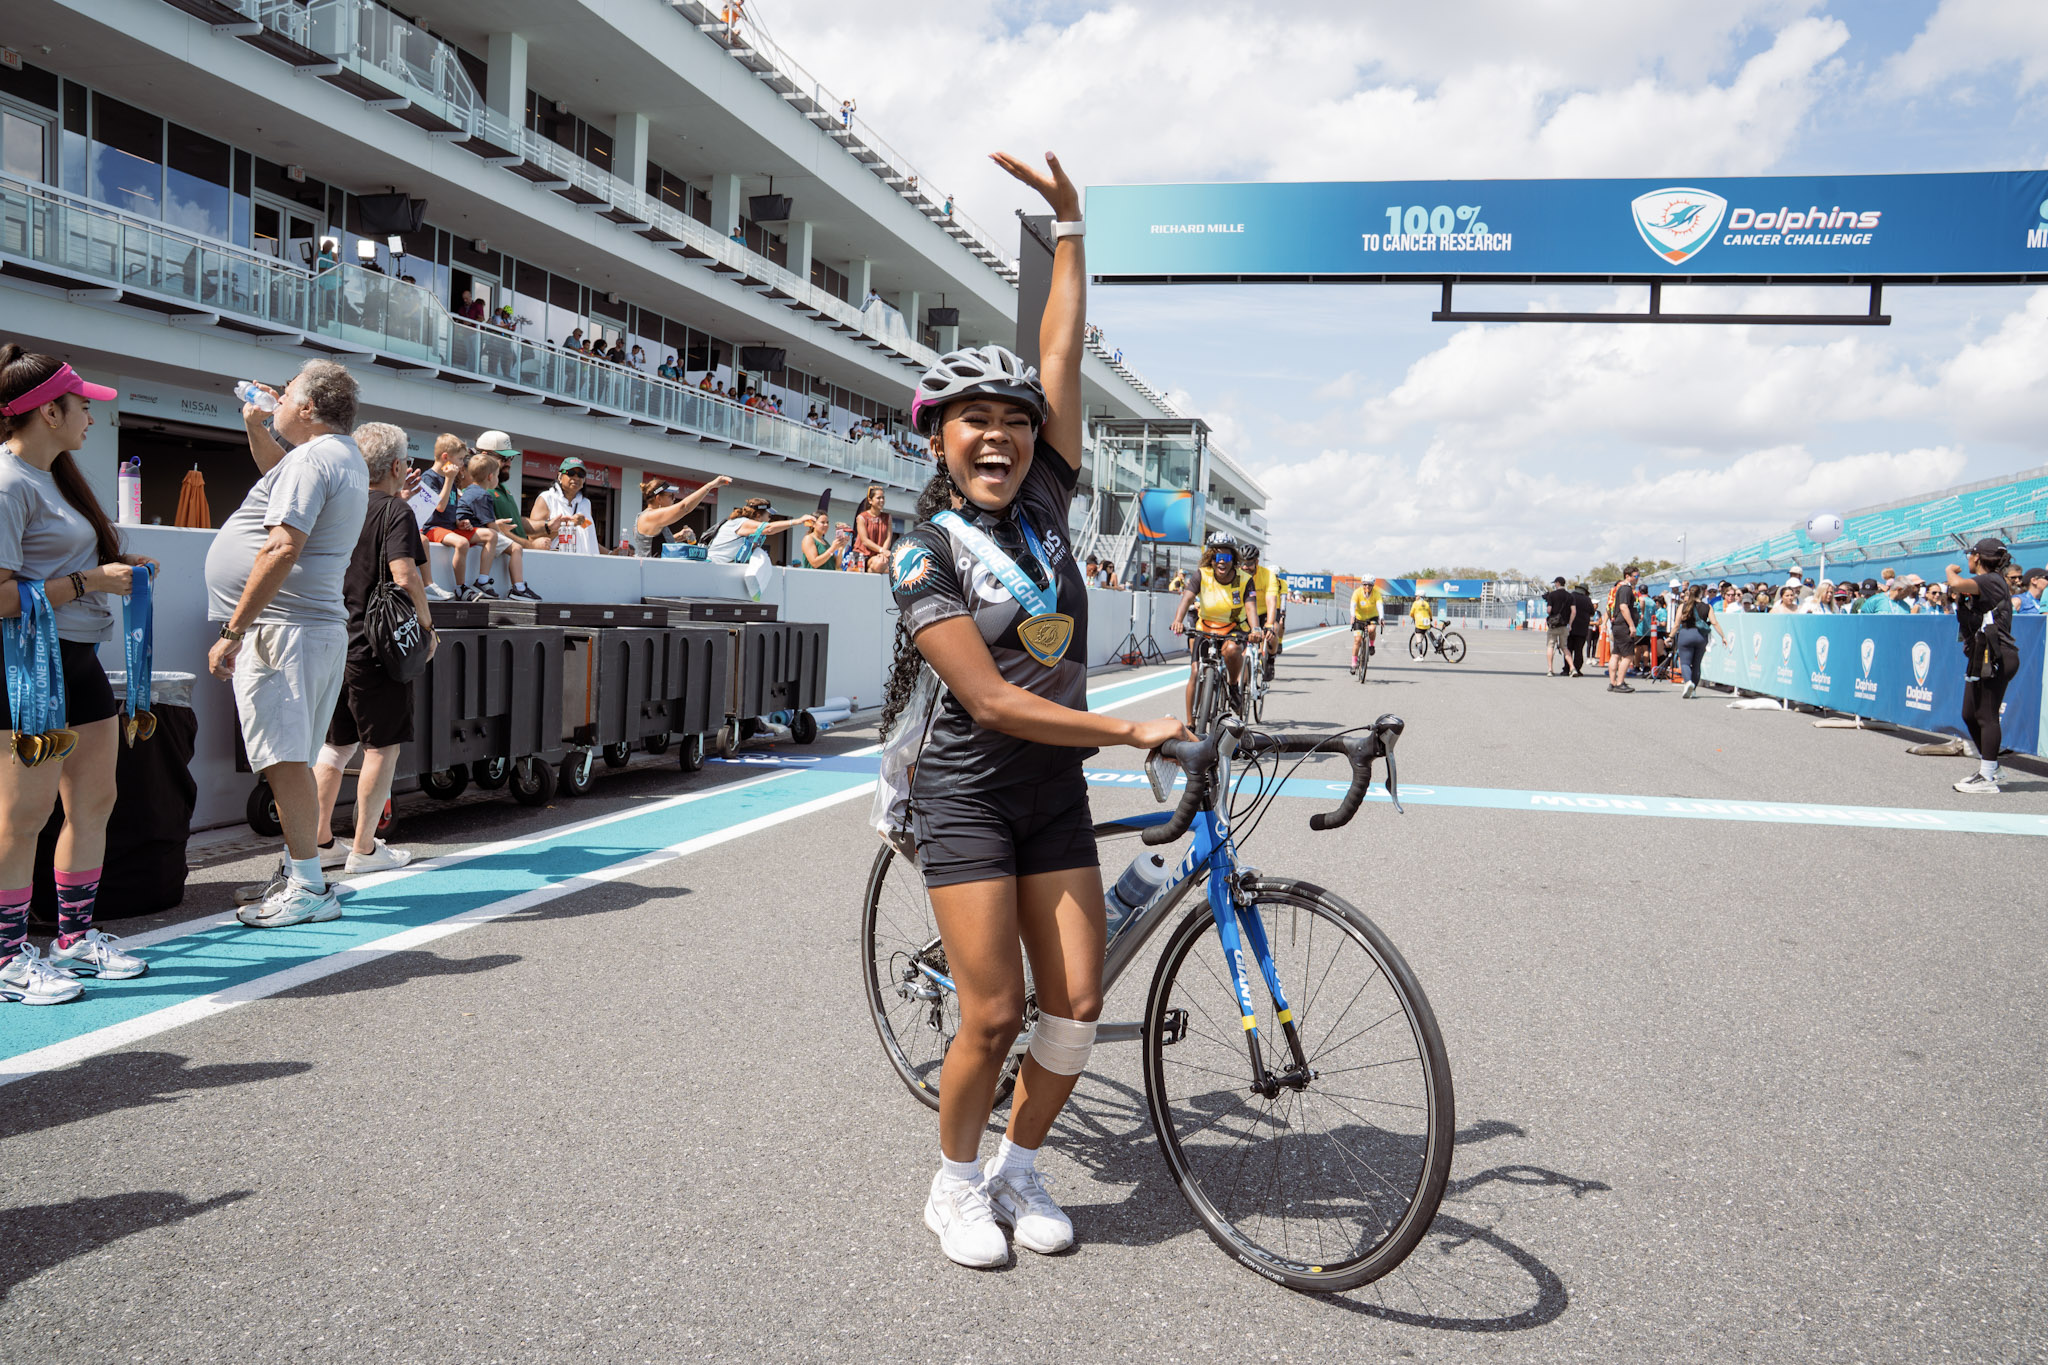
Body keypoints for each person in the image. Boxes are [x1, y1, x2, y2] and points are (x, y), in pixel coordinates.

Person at [878, 149, 1184, 1270]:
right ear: (938, 440)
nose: (999, 432)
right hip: (964, 791)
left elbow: (1059, 353)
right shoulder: (921, 553)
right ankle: (952, 1186)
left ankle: (1017, 1164)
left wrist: (1068, 229)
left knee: (1077, 1009)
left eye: (1013, 418)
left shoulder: (1048, 492)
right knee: (994, 1015)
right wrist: (1131, 728)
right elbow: (994, 698)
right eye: (973, 420)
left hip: (1052, 794)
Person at [0, 350, 154, 1002]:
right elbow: (3, 597)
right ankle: (8, 955)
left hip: (80, 661)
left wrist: (121, 570)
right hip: (29, 667)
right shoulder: (9, 483)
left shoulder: (54, 478)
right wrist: (93, 580)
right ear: (47, 410)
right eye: (82, 402)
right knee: (20, 817)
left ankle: (72, 935)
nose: (92, 413)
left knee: (94, 802)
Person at [206, 359, 370, 928]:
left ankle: (307, 886)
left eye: (286, 396)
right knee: (290, 756)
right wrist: (259, 426)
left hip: (283, 627)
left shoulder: (315, 458)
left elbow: (279, 547)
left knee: (283, 760)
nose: (274, 399)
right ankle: (298, 872)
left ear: (305, 408)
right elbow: (282, 477)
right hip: (310, 627)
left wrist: (233, 629)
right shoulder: (336, 456)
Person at [310, 423, 430, 878]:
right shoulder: (396, 512)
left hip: (334, 638)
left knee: (335, 747)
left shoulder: (339, 505)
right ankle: (364, 848)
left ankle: (320, 841)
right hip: (378, 647)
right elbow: (407, 575)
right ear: (398, 465)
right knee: (382, 747)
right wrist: (426, 626)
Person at [1947, 540, 2020, 795]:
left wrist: (1950, 571)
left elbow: (1955, 582)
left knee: (1987, 715)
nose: (1967, 558)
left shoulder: (1991, 580)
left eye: (1970, 554)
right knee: (1969, 713)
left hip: (1997, 656)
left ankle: (1987, 776)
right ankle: (1993, 767)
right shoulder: (1985, 584)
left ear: (1977, 557)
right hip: (1982, 656)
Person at [1170, 531, 1260, 726]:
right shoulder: (1202, 575)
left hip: (1234, 628)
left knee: (1232, 650)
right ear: (1211, 559)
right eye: (1217, 557)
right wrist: (1178, 619)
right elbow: (1187, 598)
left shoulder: (1244, 579)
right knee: (1195, 672)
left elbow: (1251, 607)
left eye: (1226, 557)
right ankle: (1191, 723)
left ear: (1233, 559)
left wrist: (1256, 630)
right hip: (1206, 627)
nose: (1222, 562)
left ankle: (1233, 684)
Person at [419, 435, 497, 600]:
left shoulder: (452, 479)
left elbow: (450, 508)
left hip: (450, 528)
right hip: (432, 528)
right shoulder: (429, 477)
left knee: (491, 535)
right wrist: (448, 479)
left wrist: (459, 522)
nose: (463, 464)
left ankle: (482, 580)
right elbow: (439, 507)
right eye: (460, 459)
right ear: (446, 457)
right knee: (462, 543)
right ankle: (460, 588)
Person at [461, 452, 533, 598]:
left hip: (470, 531)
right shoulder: (484, 495)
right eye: (498, 475)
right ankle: (518, 587)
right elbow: (491, 527)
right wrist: (500, 531)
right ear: (490, 477)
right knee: (516, 548)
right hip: (476, 534)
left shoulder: (468, 491)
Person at [630, 473, 729, 556]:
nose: (674, 499)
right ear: (658, 498)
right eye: (671, 496)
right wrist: (710, 486)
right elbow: (684, 507)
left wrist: (676, 538)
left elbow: (653, 544)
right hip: (653, 572)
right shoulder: (650, 516)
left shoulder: (646, 516)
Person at [706, 496, 809, 564]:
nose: (769, 519)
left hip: (721, 567)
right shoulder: (741, 522)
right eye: (768, 516)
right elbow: (769, 529)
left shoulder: (749, 530)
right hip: (711, 564)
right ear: (758, 515)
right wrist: (797, 521)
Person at [1667, 584, 1728, 700]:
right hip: (1701, 637)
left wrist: (1670, 637)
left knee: (1685, 663)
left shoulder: (1682, 606)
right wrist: (1723, 636)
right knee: (1696, 664)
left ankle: (1688, 682)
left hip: (1686, 635)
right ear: (1701, 593)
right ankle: (1693, 689)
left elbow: (1676, 625)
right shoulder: (1708, 607)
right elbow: (1714, 623)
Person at [532, 458, 600, 555]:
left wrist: (610, 553)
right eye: (571, 473)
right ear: (560, 476)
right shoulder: (546, 498)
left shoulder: (586, 504)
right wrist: (567, 526)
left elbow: (589, 538)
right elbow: (533, 538)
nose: (576, 478)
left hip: (583, 563)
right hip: (555, 561)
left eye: (581, 475)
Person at [1240, 544, 1280, 680]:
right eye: (1242, 563)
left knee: (1274, 630)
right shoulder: (1236, 573)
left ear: (1257, 562)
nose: (1245, 567)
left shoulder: (1268, 575)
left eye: (1249, 563)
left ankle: (1270, 660)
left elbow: (1271, 601)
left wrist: (1269, 624)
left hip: (1262, 612)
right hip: (1243, 613)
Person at [1606, 566, 1639, 692]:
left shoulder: (1621, 589)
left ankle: (1613, 682)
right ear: (1627, 576)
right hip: (1623, 626)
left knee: (1616, 654)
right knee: (1628, 656)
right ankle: (1619, 683)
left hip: (1618, 625)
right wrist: (1631, 625)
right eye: (1635, 576)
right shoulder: (1625, 589)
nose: (1637, 579)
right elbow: (1624, 607)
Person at [1542, 576, 1576, 676]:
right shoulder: (1570, 596)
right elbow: (1573, 611)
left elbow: (1549, 610)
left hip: (1553, 626)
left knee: (1550, 646)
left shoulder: (1552, 595)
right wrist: (1570, 624)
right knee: (1564, 647)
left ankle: (1550, 669)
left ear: (1557, 583)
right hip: (1564, 625)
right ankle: (1572, 668)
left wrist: (1552, 614)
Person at [1349, 576, 1385, 671]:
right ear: (1362, 585)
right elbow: (1352, 605)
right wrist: (1352, 616)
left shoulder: (1376, 594)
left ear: (1373, 585)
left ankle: (1371, 645)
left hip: (1372, 617)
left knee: (1372, 629)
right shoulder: (1357, 592)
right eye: (1365, 584)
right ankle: (1353, 664)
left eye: (1370, 585)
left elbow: (1380, 606)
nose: (1367, 587)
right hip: (1359, 618)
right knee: (1357, 640)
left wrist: (1381, 618)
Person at [855, 485, 893, 573]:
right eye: (879, 498)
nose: (882, 501)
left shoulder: (887, 517)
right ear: (870, 500)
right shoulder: (862, 517)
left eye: (883, 498)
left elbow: (888, 537)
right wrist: (882, 550)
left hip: (879, 555)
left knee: (885, 565)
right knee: (880, 564)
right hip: (863, 554)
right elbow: (865, 541)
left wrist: (883, 553)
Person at [1567, 581, 1595, 676]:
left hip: (1570, 627)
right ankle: (1577, 669)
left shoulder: (1570, 597)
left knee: (1569, 649)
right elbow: (1592, 612)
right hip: (1582, 628)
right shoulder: (1587, 599)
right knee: (1579, 650)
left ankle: (1567, 668)